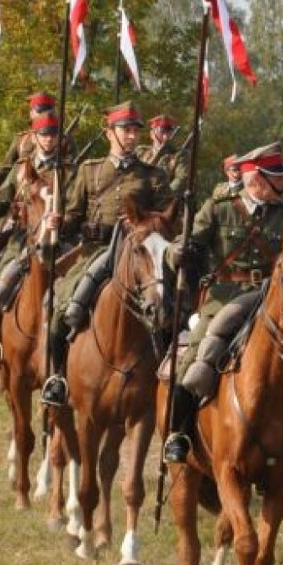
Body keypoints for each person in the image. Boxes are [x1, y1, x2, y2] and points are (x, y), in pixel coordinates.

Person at [162, 141, 283, 463]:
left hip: (273, 297)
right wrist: (178, 251)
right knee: (198, 356)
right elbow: (188, 241)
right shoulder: (219, 207)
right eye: (277, 177)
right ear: (256, 179)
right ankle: (179, 433)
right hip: (225, 297)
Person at [40, 101, 173, 406]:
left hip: (140, 250)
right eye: (125, 130)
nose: (131, 136)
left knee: (172, 306)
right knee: (65, 305)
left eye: (135, 131)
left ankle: (167, 375)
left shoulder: (153, 175)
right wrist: (58, 222)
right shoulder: (91, 171)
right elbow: (74, 216)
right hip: (96, 250)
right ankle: (58, 377)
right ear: (109, 132)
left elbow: (167, 216)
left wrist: (146, 223)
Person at [0, 109, 64, 369]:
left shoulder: (67, 169)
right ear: (34, 137)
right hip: (21, 240)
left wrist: (60, 220)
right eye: (44, 134)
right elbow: (3, 200)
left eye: (53, 135)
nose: (48, 139)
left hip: (57, 241)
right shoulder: (20, 168)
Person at [138, 113, 188, 199]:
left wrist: (164, 195)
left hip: (164, 202)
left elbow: (181, 179)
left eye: (168, 132)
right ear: (152, 134)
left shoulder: (179, 155)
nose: (165, 136)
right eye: (161, 132)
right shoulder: (141, 152)